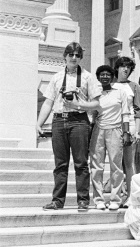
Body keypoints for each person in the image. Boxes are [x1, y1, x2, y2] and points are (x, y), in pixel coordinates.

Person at [37, 42, 102, 213]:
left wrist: (79, 105)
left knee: (81, 163)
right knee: (60, 164)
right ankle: (57, 200)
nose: (74, 58)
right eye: (71, 54)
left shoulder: (88, 77)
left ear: (80, 57)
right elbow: (48, 102)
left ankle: (83, 200)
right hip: (59, 121)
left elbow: (96, 102)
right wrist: (39, 123)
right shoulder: (57, 77)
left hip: (79, 121)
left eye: (77, 55)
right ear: (64, 56)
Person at [90, 64, 132, 211]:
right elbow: (92, 113)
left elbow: (125, 113)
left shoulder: (120, 92)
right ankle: (99, 199)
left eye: (108, 74)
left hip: (116, 129)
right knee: (97, 165)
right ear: (98, 77)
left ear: (112, 76)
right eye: (102, 74)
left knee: (116, 166)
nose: (105, 76)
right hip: (98, 129)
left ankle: (115, 198)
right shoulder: (95, 93)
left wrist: (126, 133)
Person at [113, 56, 140, 204]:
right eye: (123, 66)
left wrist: (136, 131)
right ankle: (116, 195)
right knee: (115, 163)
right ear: (117, 68)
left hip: (130, 125)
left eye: (128, 67)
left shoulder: (134, 86)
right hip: (113, 125)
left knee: (129, 163)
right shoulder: (111, 85)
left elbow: (138, 111)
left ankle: (132, 196)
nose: (126, 69)